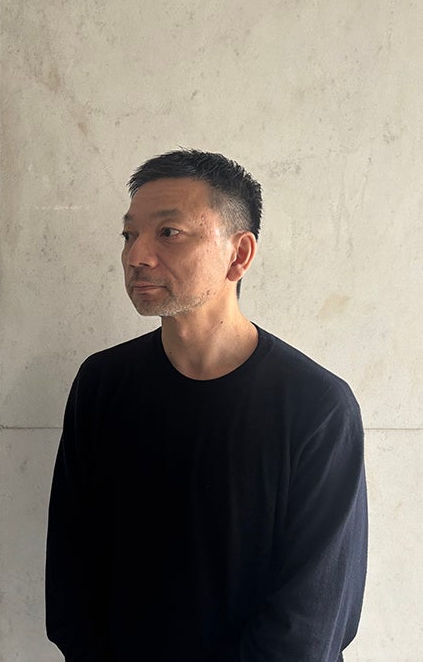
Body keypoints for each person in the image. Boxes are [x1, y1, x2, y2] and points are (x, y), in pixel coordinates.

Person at [45, 149, 368, 661]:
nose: (136, 255)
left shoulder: (316, 406)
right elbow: (72, 572)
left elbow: (313, 620)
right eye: (129, 234)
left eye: (168, 232)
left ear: (239, 254)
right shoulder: (103, 385)